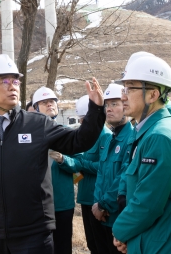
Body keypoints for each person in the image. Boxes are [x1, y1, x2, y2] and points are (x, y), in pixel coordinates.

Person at [0, 54, 107, 254]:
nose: (13, 86)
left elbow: (78, 141)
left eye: (16, 81)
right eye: (5, 81)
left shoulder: (37, 124)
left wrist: (96, 109)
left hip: (35, 234)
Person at [111, 54, 171, 254]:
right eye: (123, 88)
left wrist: (120, 231)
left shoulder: (160, 137)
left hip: (166, 245)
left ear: (153, 95)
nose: (123, 96)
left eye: (130, 88)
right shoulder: (151, 131)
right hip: (158, 240)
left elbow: (148, 203)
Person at [53, 94, 112, 254]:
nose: (81, 124)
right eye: (80, 120)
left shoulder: (105, 136)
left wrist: (81, 164)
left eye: (84, 120)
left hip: (97, 198)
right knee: (92, 244)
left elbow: (103, 166)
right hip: (85, 197)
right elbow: (78, 166)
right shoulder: (83, 136)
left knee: (102, 245)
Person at [92, 83, 133, 254]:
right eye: (106, 105)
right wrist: (97, 204)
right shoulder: (109, 139)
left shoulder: (132, 138)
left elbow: (124, 177)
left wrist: (103, 205)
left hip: (117, 217)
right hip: (102, 216)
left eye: (114, 104)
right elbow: (101, 175)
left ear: (125, 104)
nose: (109, 109)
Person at [35, 87, 74, 254]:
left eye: (52, 101)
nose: (49, 104)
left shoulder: (67, 133)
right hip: (38, 204)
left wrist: (64, 160)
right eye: (44, 102)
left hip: (62, 202)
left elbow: (79, 163)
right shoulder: (29, 135)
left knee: (63, 246)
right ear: (36, 108)